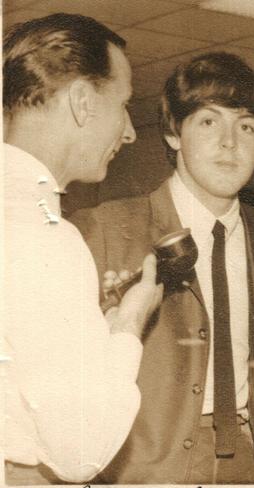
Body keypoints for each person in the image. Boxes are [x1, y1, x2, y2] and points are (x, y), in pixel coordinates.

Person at [71, 52, 254, 484]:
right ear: (172, 134)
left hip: (252, 460)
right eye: (208, 121)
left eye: (245, 126)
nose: (229, 142)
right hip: (146, 469)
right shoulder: (105, 231)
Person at [3, 13, 163, 485]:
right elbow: (81, 451)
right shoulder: (46, 233)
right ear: (81, 102)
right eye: (124, 104)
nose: (130, 131)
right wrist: (130, 325)